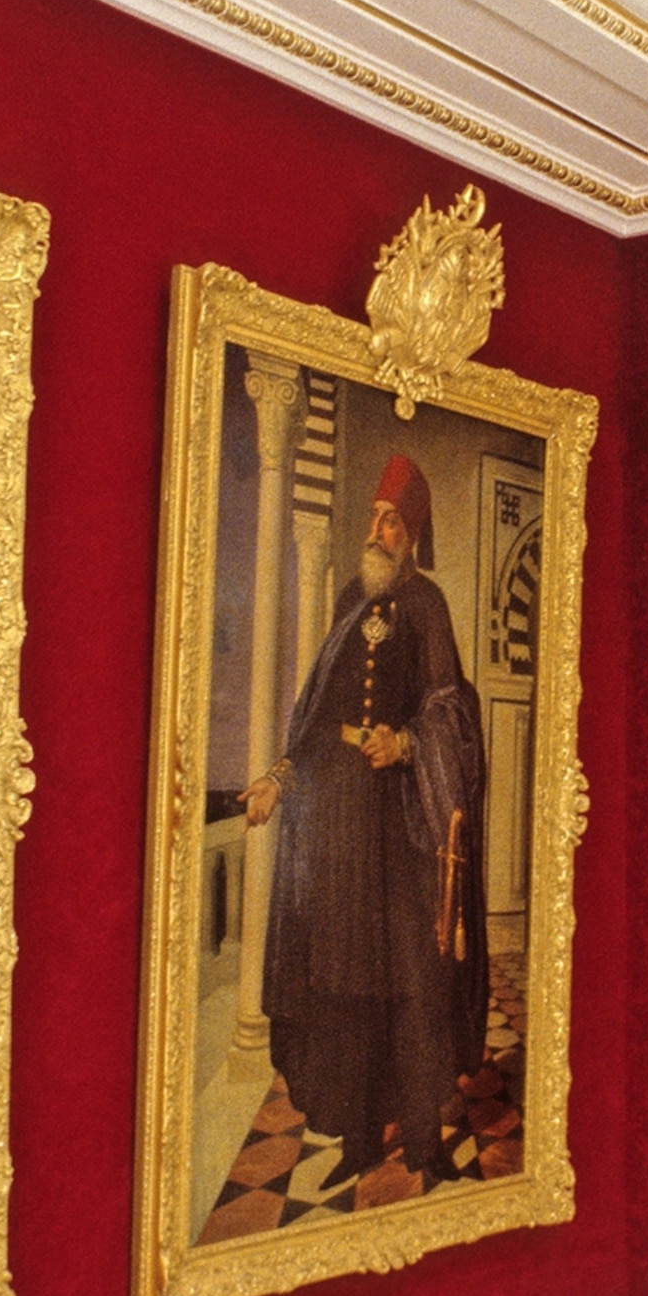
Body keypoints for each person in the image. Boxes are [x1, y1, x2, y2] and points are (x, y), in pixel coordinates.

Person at [243, 455, 485, 1196]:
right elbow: (318, 713)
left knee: (413, 987)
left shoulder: (428, 604)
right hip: (344, 826)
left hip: (404, 827)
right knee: (349, 987)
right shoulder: (352, 597)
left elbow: (451, 707)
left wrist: (407, 744)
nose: (376, 530)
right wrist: (278, 779)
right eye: (375, 516)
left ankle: (425, 1145)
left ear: (411, 535)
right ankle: (355, 1139)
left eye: (391, 521)